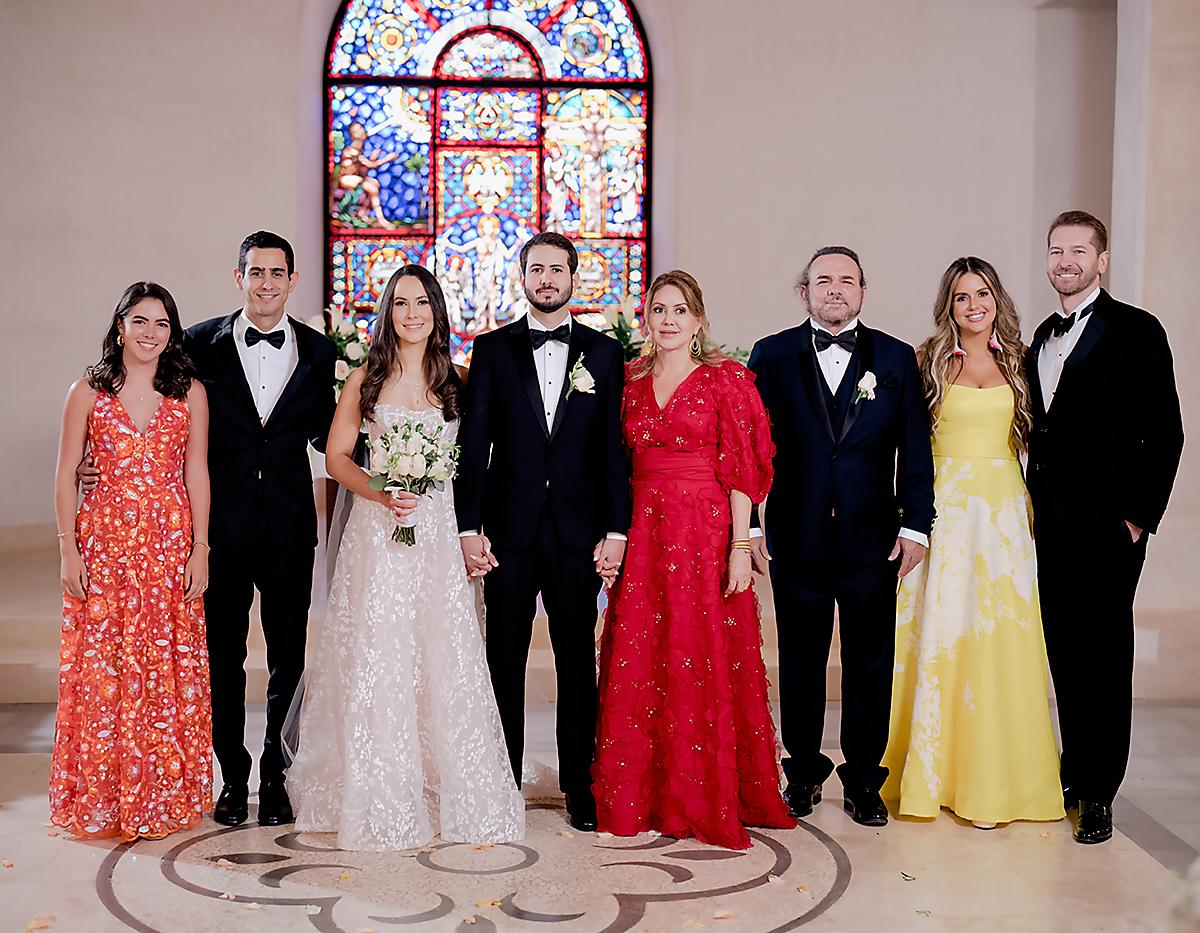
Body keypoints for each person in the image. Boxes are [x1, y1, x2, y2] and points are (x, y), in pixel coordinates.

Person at [284, 266, 524, 851]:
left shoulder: (456, 383)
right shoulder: (365, 380)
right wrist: (381, 491)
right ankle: (378, 787)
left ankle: (444, 782)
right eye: (400, 304)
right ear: (388, 314)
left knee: (441, 650)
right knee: (381, 650)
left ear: (437, 312)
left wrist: (471, 525)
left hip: (438, 533)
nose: (411, 313)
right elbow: (339, 458)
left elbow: (479, 461)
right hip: (380, 532)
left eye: (422, 303)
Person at [592, 270, 795, 850]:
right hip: (645, 531)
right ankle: (646, 793)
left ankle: (704, 795)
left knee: (700, 654)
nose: (670, 319)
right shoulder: (628, 383)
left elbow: (742, 469)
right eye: (660, 309)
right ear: (647, 319)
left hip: (705, 533)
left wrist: (739, 545)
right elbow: (612, 466)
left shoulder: (725, 381)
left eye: (681, 310)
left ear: (699, 319)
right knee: (643, 655)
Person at [748, 246, 935, 828]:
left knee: (870, 660)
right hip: (794, 536)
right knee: (801, 658)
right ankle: (802, 773)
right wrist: (751, 523)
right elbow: (753, 448)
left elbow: (916, 449)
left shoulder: (898, 358)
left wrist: (915, 525)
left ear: (863, 290)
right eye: (823, 280)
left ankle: (863, 781)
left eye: (846, 281)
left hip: (872, 538)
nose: (835, 289)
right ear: (804, 291)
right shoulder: (771, 355)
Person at [454, 231, 631, 832]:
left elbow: (614, 450)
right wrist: (468, 527)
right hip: (508, 534)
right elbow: (474, 446)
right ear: (522, 277)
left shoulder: (605, 355)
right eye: (537, 269)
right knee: (499, 660)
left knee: (578, 665)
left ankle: (581, 790)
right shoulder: (493, 350)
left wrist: (616, 529)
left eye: (558, 269)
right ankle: (500, 789)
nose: (548, 279)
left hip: (579, 536)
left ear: (573, 279)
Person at [881, 257, 1064, 828]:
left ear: (996, 298)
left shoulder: (1022, 360)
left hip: (1005, 512)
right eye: (961, 297)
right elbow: (903, 443)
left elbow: (1042, 441)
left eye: (982, 293)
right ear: (949, 306)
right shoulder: (926, 360)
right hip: (946, 511)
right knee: (940, 634)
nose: (973, 305)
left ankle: (999, 777)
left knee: (1001, 637)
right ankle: (933, 774)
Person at [1027, 211, 1183, 844]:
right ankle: (1072, 768)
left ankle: (1100, 791)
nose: (1065, 261)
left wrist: (1136, 518)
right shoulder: (1040, 334)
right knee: (1064, 651)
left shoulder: (1137, 330)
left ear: (1103, 259)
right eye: (1056, 251)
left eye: (1078, 251)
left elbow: (1166, 431)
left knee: (1105, 655)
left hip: (1109, 528)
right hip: (1049, 526)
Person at [51, 282, 212, 839]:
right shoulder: (87, 392)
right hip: (105, 546)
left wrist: (201, 549)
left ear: (173, 333)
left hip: (169, 549)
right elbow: (66, 472)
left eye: (162, 323)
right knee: (107, 668)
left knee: (167, 669)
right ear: (119, 325)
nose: (150, 333)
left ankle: (165, 793)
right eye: (140, 321)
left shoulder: (189, 391)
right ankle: (107, 797)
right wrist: (68, 547)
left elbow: (197, 474)